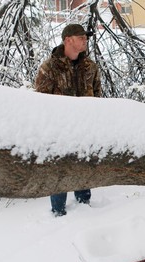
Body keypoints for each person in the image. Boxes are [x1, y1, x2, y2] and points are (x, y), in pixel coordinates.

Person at [34, 23, 102, 217]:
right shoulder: (49, 68)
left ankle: (83, 205)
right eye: (81, 37)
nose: (85, 40)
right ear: (68, 40)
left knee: (83, 167)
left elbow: (98, 98)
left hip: (85, 131)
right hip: (59, 132)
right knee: (59, 170)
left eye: (85, 37)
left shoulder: (91, 67)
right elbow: (40, 103)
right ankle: (58, 212)